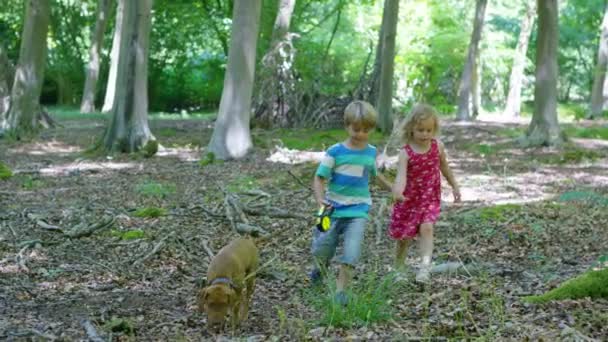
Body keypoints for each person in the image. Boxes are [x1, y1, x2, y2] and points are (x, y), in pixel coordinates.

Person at [310, 100, 390, 305]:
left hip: (358, 211)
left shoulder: (371, 152)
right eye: (356, 129)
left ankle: (341, 291)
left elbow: (374, 176)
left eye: (366, 130)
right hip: (330, 209)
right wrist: (320, 199)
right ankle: (319, 270)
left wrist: (393, 189)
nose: (361, 134)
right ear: (347, 126)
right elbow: (319, 177)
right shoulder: (335, 152)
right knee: (322, 249)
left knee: (352, 251)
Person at [389, 103, 461, 284]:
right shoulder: (405, 153)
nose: (425, 134)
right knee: (404, 237)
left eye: (429, 130)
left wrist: (454, 185)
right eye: (420, 130)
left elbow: (444, 167)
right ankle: (398, 268)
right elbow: (401, 177)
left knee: (427, 228)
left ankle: (424, 267)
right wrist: (398, 190)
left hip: (429, 197)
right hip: (409, 199)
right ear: (411, 128)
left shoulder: (438, 147)